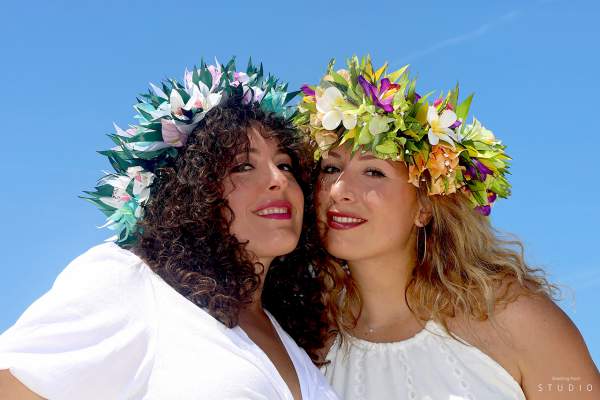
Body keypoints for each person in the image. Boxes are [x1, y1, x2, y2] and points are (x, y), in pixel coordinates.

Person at [0, 58, 339, 400]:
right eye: (243, 166)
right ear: (193, 191)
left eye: (285, 165)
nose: (278, 180)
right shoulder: (134, 284)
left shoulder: (292, 339)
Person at [294, 55, 600, 399]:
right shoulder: (308, 342)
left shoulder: (516, 321)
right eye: (331, 169)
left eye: (374, 172)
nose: (339, 191)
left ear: (424, 207)